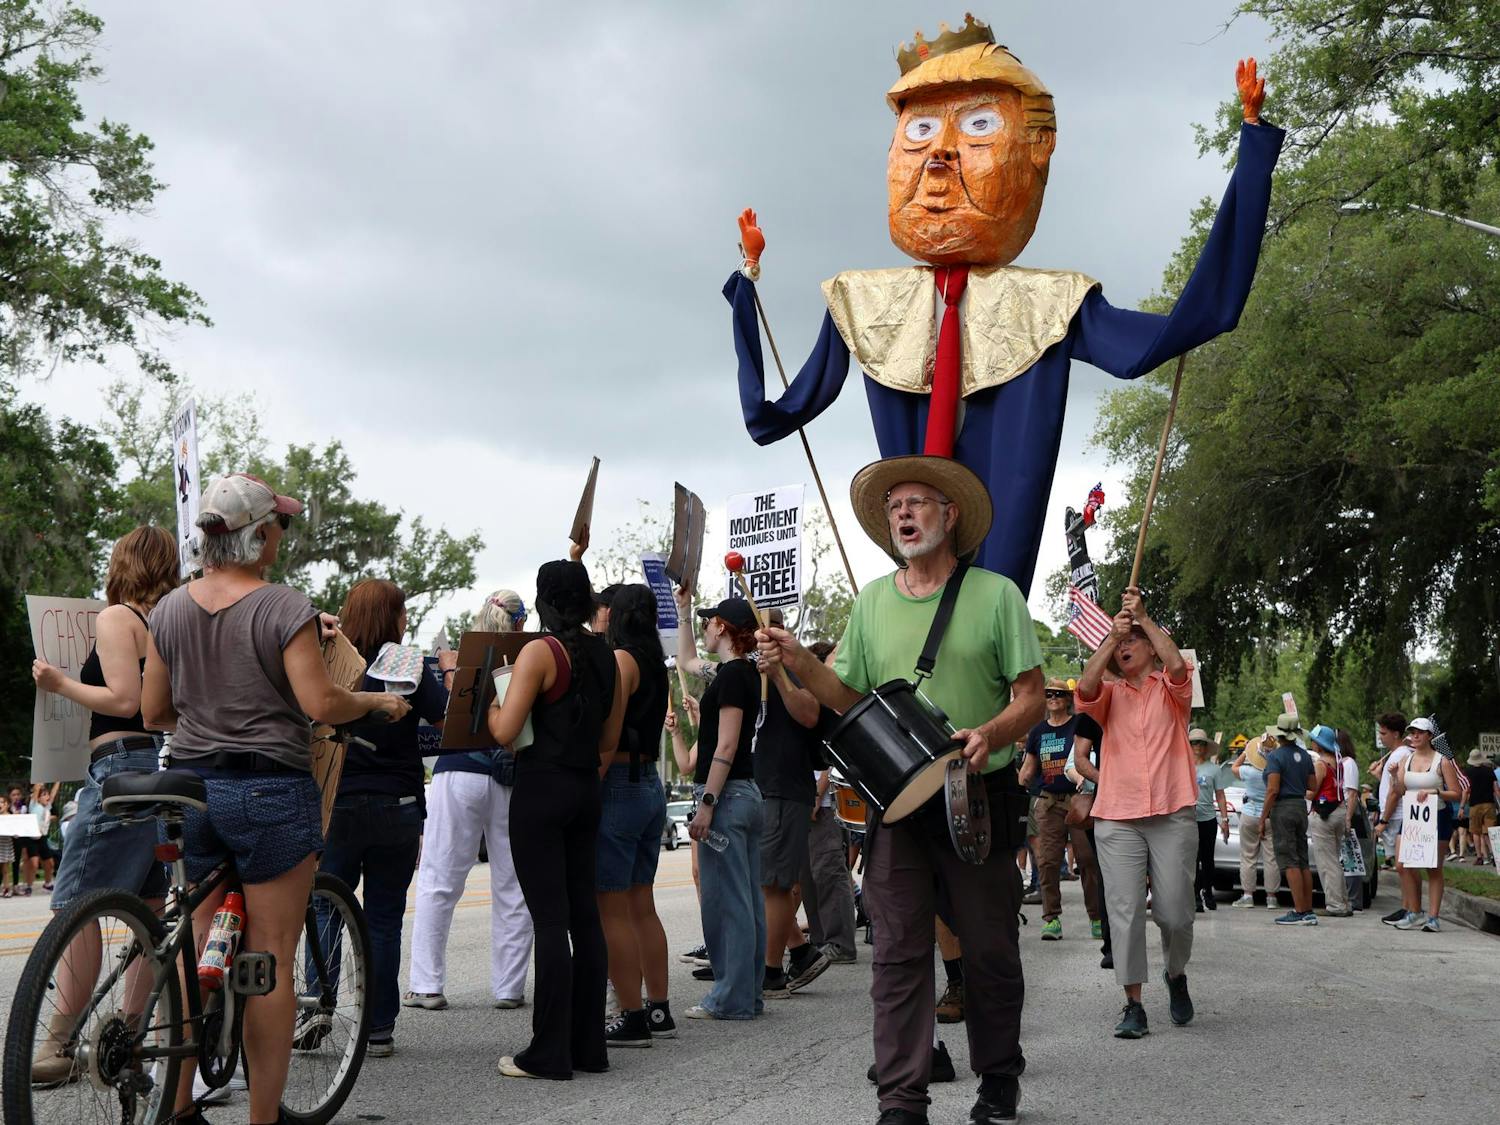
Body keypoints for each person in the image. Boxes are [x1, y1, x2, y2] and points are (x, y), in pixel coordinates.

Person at [758, 454, 1043, 1125]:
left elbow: (1032, 697)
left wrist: (992, 731)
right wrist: (798, 660)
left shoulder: (997, 594)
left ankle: (998, 1077)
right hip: (897, 804)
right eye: (894, 506)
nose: (904, 513)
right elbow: (846, 695)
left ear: (950, 516)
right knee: (897, 954)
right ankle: (901, 1098)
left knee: (991, 951)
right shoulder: (870, 603)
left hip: (978, 799)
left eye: (918, 501)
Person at [143, 472, 411, 1125]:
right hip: (268, 790)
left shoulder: (169, 610)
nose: (282, 537)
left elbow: (154, 709)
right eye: (279, 525)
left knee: (196, 945)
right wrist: (376, 700)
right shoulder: (285, 607)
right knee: (267, 957)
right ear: (258, 535)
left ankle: (177, 1107)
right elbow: (321, 703)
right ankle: (264, 1118)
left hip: (193, 787)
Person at [26, 526, 179, 1082]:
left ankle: (59, 1045)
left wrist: (60, 682)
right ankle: (127, 1044)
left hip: (118, 771)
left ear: (126, 564)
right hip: (156, 771)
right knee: (148, 915)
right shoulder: (167, 623)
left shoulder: (117, 618)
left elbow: (123, 699)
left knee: (78, 906)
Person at [489, 559, 624, 1080]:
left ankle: (547, 1052)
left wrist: (489, 700)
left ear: (544, 600)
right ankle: (589, 1048)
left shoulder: (539, 652)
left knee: (549, 919)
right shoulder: (606, 654)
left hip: (541, 787)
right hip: (587, 787)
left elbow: (506, 730)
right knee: (585, 917)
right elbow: (609, 740)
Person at [319, 578, 453, 1057]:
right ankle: (377, 1026)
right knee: (382, 918)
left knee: (324, 907)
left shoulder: (329, 658)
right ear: (391, 616)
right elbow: (446, 722)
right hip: (396, 804)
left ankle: (317, 1009)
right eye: (403, 612)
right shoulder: (408, 662)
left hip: (338, 802)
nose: (407, 621)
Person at [1077, 586, 1197, 1039]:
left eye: (1133, 642)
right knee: (1124, 911)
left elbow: (1180, 664)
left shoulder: (1173, 689)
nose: (1125, 648)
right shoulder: (1108, 695)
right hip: (1117, 816)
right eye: (1120, 645)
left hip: (1172, 811)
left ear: (1150, 645)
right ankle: (1133, 1004)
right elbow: (1085, 687)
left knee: (1174, 914)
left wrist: (1143, 618)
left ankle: (1176, 974)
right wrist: (1112, 636)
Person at [405, 590, 534, 1012]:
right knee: (514, 884)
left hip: (458, 767)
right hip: (511, 775)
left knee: (439, 879)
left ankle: (426, 984)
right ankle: (509, 987)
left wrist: (449, 670)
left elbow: (449, 712)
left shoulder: (466, 655)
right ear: (519, 621)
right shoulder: (529, 654)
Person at [596, 584, 675, 1047]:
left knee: (612, 909)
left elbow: (610, 731)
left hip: (620, 785)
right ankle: (658, 1008)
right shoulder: (654, 662)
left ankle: (629, 1015)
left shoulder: (623, 660)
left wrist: (593, 779)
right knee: (641, 905)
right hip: (649, 785)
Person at [682, 595, 768, 1022]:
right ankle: (747, 994)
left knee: (728, 902)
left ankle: (731, 997)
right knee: (746, 899)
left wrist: (708, 803)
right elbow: (685, 660)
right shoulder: (738, 672)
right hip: (743, 795)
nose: (703, 628)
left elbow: (728, 744)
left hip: (728, 795)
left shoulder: (734, 676)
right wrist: (682, 610)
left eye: (706, 621)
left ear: (722, 627)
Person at [751, 606, 830, 998]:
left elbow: (810, 714)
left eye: (773, 627)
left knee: (775, 885)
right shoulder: (749, 670)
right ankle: (800, 953)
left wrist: (779, 673)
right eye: (759, 628)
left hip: (786, 787)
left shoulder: (798, 669)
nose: (766, 634)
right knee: (767, 883)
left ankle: (771, 972)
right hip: (762, 787)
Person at [1018, 679, 1103, 940]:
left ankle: (1097, 918)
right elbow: (1028, 770)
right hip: (1048, 802)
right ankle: (1051, 919)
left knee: (1088, 859)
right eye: (1048, 694)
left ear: (1068, 699)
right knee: (1047, 861)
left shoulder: (1079, 724)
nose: (1053, 697)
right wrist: (1014, 787)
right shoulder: (1037, 732)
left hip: (1080, 799)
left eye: (1059, 694)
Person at [799, 642, 859, 965]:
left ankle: (840, 941)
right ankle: (821, 939)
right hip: (805, 798)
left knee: (828, 871)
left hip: (823, 802)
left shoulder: (831, 703)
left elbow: (830, 759)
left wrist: (818, 792)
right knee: (808, 875)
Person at [1375, 717, 1463, 932]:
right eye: (1412, 732)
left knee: (1434, 867)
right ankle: (1414, 911)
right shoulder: (1408, 760)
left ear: (1429, 736)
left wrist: (1436, 792)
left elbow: (1457, 793)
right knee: (1404, 864)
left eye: (1419, 732)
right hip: (1413, 818)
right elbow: (1400, 792)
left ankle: (1433, 917)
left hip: (1437, 816)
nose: (1415, 736)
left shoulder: (1441, 761)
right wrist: (1395, 776)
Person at [1260, 714, 1321, 927]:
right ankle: (1308, 909)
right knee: (1302, 859)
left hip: (1283, 808)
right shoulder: (1305, 756)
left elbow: (1272, 789)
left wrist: (1262, 818)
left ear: (1279, 734)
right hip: (1299, 806)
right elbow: (1312, 785)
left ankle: (1299, 910)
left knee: (1289, 860)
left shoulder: (1276, 757)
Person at [1305, 724, 1353, 918]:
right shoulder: (1338, 761)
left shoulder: (1320, 764)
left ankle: (1335, 905)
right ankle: (1343, 901)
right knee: (1335, 859)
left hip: (1324, 814)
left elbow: (1311, 792)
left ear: (1319, 744)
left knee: (1327, 863)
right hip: (1339, 810)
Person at [1229, 735, 1282, 909]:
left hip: (1250, 814)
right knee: (1271, 857)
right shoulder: (1275, 773)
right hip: (1270, 816)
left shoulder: (1248, 772)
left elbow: (1234, 768)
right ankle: (1271, 897)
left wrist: (1246, 753)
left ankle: (1248, 895)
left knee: (1248, 856)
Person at [1189, 730, 1230, 912]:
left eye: (1201, 743)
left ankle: (1208, 892)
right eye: (1194, 743)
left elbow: (1220, 795)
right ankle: (1195, 895)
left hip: (1208, 819)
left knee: (1207, 859)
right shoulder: (1184, 767)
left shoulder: (1213, 769)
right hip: (1189, 819)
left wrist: (1225, 819)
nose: (1197, 746)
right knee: (1192, 859)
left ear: (1206, 747)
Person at [1463, 749, 1496, 866]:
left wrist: (1462, 807)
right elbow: (1496, 789)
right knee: (1489, 831)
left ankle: (1479, 857)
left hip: (1475, 805)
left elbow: (1466, 791)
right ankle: (1494, 856)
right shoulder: (1489, 771)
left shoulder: (1468, 773)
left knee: (1475, 832)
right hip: (1489, 804)